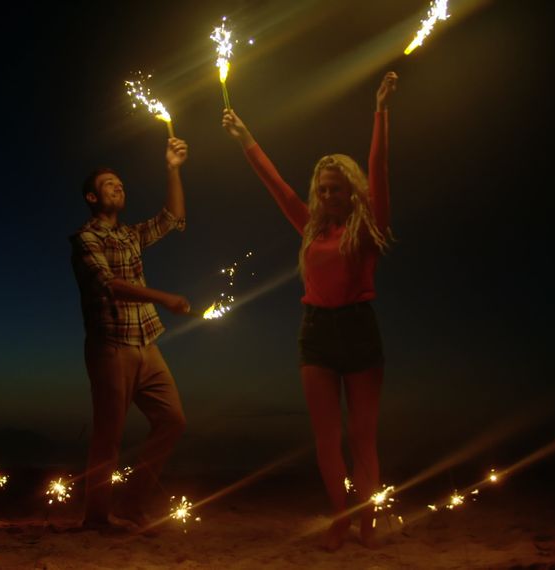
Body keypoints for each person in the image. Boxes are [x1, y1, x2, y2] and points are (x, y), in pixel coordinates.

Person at [221, 71, 398, 551]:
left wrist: (380, 109)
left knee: (363, 436)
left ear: (352, 191)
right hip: (315, 333)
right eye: (321, 189)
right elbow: (276, 185)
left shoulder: (370, 229)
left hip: (360, 332)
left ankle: (366, 521)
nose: (325, 197)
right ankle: (339, 518)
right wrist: (246, 138)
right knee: (326, 437)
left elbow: (378, 166)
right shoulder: (309, 228)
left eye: (335, 189)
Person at [68, 137, 191, 534]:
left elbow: (172, 217)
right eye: (108, 184)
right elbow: (109, 283)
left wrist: (172, 167)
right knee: (109, 436)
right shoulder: (86, 238)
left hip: (147, 343)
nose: (118, 186)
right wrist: (165, 297)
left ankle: (133, 502)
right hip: (110, 347)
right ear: (92, 197)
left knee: (172, 420)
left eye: (120, 182)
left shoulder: (131, 235)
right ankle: (97, 517)